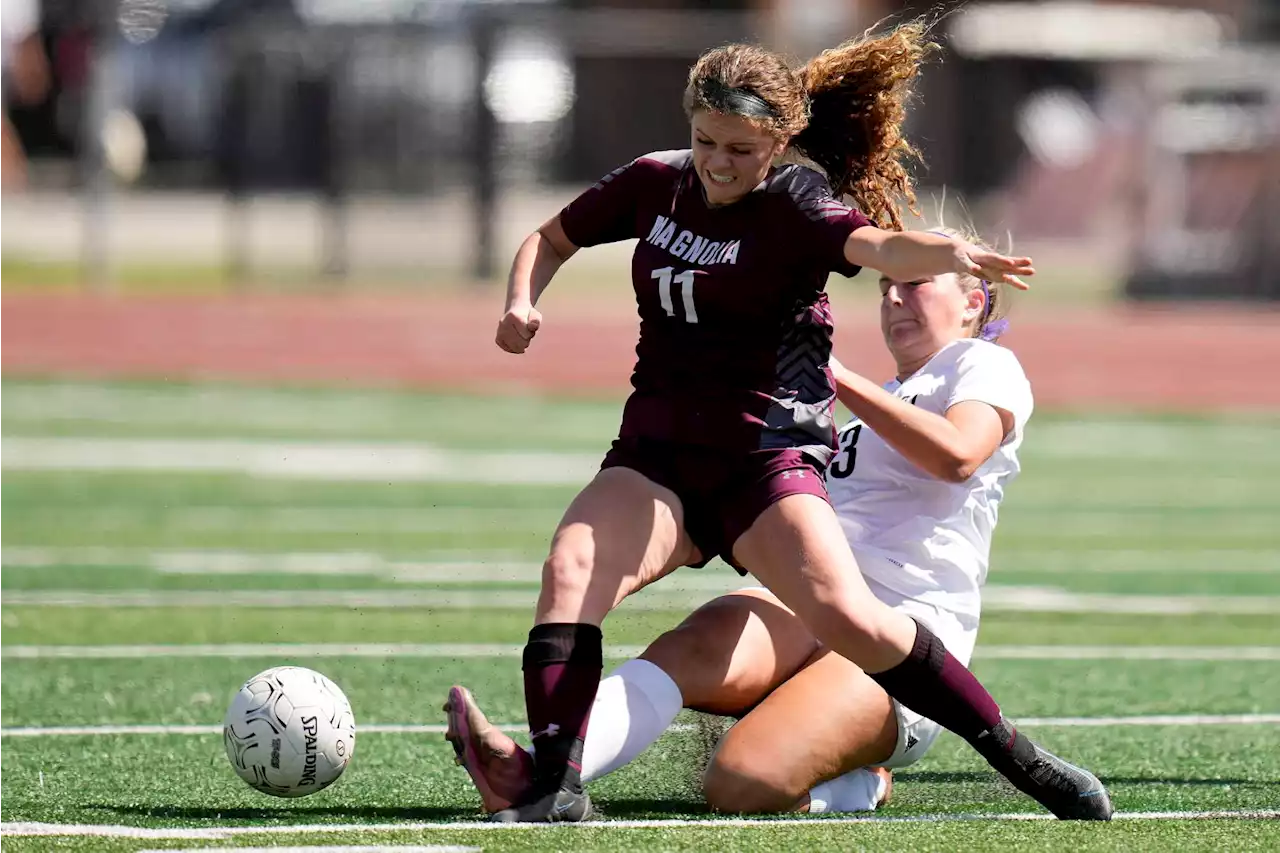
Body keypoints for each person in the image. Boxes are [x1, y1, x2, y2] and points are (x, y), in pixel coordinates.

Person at [483, 21, 1111, 823]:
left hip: (761, 462)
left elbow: (882, 247)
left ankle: (1021, 759)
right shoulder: (654, 182)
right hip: (659, 455)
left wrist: (946, 253)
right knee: (571, 565)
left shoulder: (798, 203)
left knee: (849, 623)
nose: (719, 161)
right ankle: (556, 788)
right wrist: (519, 300)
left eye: (742, 148)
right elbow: (551, 236)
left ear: (778, 144)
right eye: (707, 140)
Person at [451, 229, 1040, 816]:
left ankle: (865, 783)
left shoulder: (983, 364)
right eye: (885, 286)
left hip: (903, 636)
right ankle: (537, 770)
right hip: (813, 608)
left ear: (972, 300)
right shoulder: (884, 396)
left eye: (914, 284)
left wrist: (835, 376)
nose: (892, 299)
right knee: (690, 647)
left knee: (738, 784)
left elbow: (958, 454)